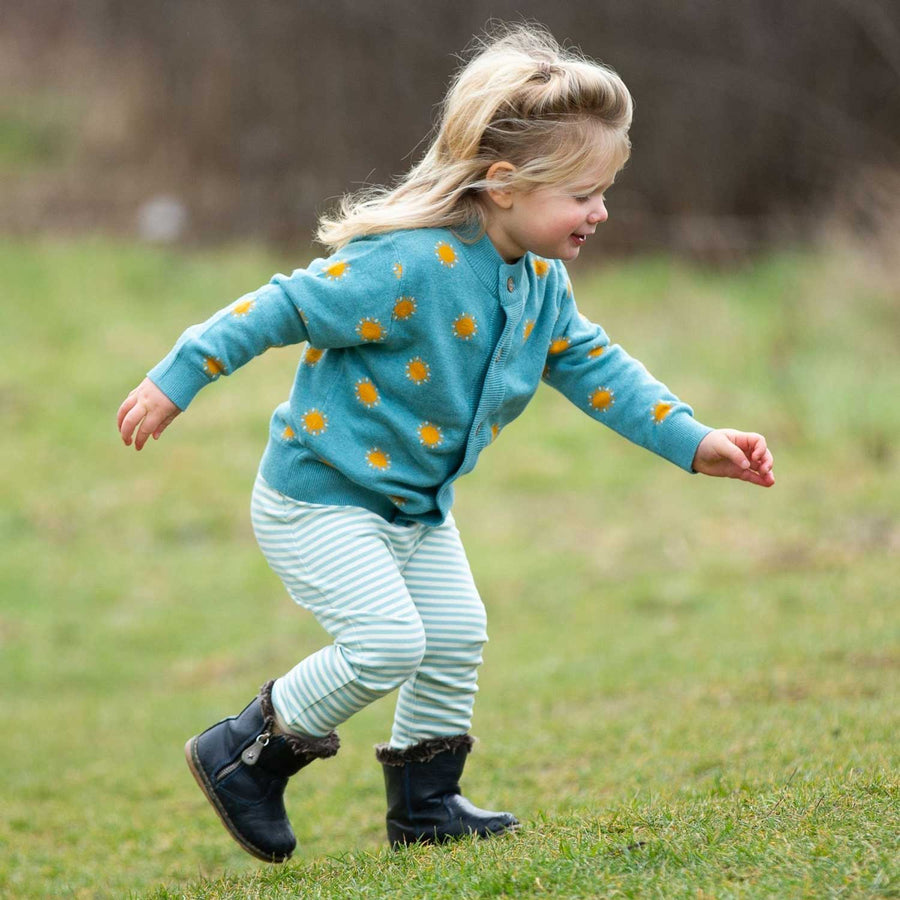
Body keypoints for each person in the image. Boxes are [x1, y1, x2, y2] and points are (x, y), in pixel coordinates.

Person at [116, 23, 775, 863]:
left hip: (416, 506)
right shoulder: (408, 266)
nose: (601, 211)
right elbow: (281, 306)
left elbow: (600, 370)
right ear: (504, 184)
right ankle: (243, 752)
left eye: (606, 188)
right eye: (582, 193)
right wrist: (178, 377)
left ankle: (425, 808)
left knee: (456, 635)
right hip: (319, 498)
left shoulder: (541, 284)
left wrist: (693, 439)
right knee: (390, 644)